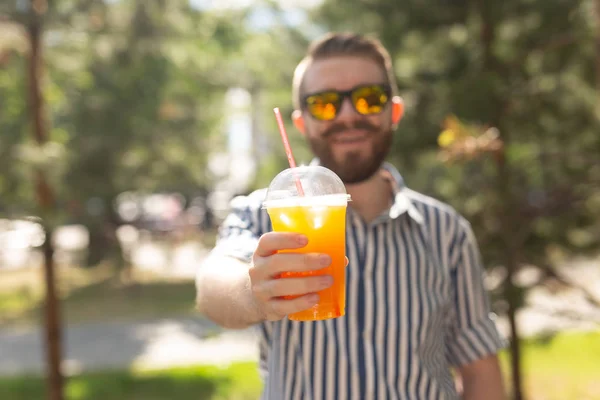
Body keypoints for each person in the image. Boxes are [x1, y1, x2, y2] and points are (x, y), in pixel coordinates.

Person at [196, 32, 507, 400]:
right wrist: (254, 293)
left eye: (368, 98)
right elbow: (212, 288)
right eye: (325, 103)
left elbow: (481, 370)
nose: (348, 115)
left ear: (394, 112)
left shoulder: (446, 231)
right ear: (303, 123)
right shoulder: (261, 214)